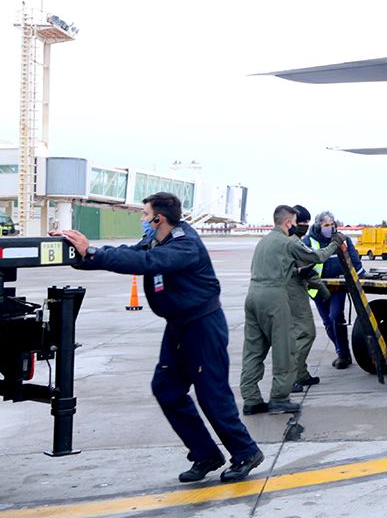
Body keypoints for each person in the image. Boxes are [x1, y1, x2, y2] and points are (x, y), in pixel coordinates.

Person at [54, 192, 264, 484]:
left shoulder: (184, 244)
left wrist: (93, 253)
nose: (142, 220)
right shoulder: (157, 239)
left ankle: (245, 452)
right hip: (178, 326)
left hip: (202, 327)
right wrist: (80, 254)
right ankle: (206, 453)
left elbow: (148, 262)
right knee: (166, 389)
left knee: (212, 395)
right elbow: (132, 253)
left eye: (144, 215)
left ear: (158, 218)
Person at [240, 205, 340, 415]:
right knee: (284, 347)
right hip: (274, 297)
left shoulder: (263, 242)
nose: (297, 227)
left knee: (253, 350)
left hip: (252, 296)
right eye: (295, 223)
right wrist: (334, 244)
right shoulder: (288, 242)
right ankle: (279, 398)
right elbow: (317, 257)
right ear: (287, 223)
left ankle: (251, 399)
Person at [304, 210, 363, 369]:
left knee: (336, 317)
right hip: (318, 288)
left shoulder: (342, 240)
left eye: (331, 225)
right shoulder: (308, 241)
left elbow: (355, 262)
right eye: (326, 225)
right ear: (318, 226)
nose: (329, 228)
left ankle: (343, 354)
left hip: (337, 288)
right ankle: (342, 351)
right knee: (328, 323)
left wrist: (359, 279)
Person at [288, 205, 321, 393]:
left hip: (295, 292)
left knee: (298, 335)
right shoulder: (292, 242)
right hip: (291, 294)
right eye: (302, 222)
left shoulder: (295, 240)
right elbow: (315, 258)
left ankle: (301, 373)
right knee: (306, 334)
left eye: (308, 222)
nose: (305, 226)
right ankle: (292, 377)